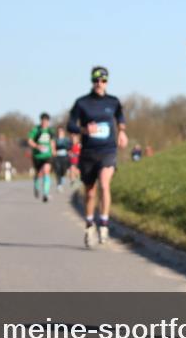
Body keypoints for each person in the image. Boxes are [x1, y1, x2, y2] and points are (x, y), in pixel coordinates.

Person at [67, 66, 128, 248]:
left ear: (107, 82)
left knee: (104, 183)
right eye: (96, 80)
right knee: (90, 192)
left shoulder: (113, 102)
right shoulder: (82, 103)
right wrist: (84, 129)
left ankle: (104, 223)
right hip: (88, 153)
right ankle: (89, 225)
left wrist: (122, 132)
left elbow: (121, 118)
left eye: (103, 80)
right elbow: (70, 125)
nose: (99, 83)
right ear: (92, 81)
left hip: (108, 150)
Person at [28, 113, 56, 203]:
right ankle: (36, 186)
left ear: (48, 121)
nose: (44, 122)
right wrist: (37, 146)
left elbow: (52, 141)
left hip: (47, 156)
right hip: (37, 156)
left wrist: (53, 150)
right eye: (43, 121)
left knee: (46, 171)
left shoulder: (50, 131)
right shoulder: (36, 130)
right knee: (39, 174)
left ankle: (45, 194)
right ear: (41, 121)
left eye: (46, 121)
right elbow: (30, 141)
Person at [53, 126, 73, 192]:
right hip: (57, 157)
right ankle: (59, 185)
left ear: (63, 132)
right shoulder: (55, 139)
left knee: (63, 170)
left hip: (65, 157)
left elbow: (70, 147)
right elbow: (53, 147)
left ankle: (62, 180)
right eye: (58, 131)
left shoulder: (67, 140)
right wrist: (54, 151)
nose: (59, 132)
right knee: (58, 170)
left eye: (61, 131)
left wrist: (69, 152)